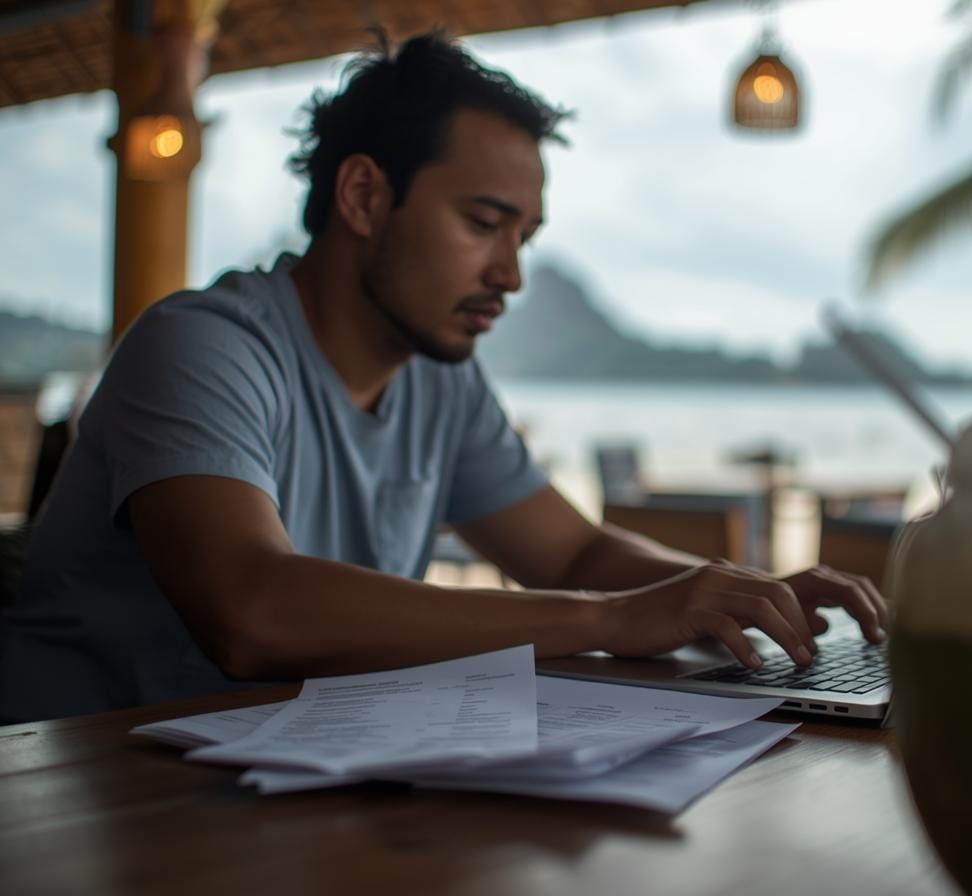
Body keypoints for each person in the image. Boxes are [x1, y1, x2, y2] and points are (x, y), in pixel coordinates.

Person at [0, 32, 885, 723]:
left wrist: (729, 593)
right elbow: (251, 610)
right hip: (81, 787)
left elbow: (572, 552)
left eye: (522, 238)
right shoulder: (201, 346)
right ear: (362, 197)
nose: (510, 274)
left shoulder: (436, 380)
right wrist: (611, 620)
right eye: (483, 223)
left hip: (277, 780)